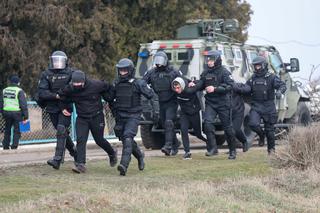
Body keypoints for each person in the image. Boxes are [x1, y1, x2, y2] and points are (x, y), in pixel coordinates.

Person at [58, 70, 117, 173]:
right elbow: (61, 95)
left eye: (79, 83)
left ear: (84, 81)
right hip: (82, 118)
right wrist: (63, 108)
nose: (76, 85)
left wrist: (110, 100)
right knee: (81, 140)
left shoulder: (96, 85)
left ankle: (112, 153)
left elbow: (109, 87)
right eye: (74, 83)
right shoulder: (70, 88)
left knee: (99, 140)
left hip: (97, 116)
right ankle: (81, 165)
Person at [107, 58, 154, 176]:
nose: (122, 73)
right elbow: (110, 98)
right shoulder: (116, 83)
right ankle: (140, 156)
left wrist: (154, 111)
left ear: (130, 70)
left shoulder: (138, 83)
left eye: (124, 70)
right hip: (120, 115)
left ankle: (124, 165)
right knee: (125, 139)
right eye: (120, 70)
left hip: (134, 115)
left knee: (128, 137)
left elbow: (151, 95)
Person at [37, 51, 77, 169]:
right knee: (62, 132)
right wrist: (56, 96)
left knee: (61, 129)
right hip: (52, 108)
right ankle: (75, 153)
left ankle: (57, 159)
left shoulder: (71, 73)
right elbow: (42, 93)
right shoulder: (46, 74)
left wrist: (60, 96)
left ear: (65, 61)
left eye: (60, 60)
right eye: (55, 60)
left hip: (66, 107)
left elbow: (71, 88)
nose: (58, 63)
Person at [195, 50, 237, 159]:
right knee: (208, 124)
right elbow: (201, 84)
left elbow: (230, 86)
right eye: (208, 60)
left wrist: (215, 88)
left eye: (211, 60)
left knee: (227, 128)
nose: (209, 62)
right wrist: (193, 83)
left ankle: (232, 150)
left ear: (217, 60)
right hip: (211, 103)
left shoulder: (224, 72)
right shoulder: (206, 72)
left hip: (224, 103)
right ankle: (213, 148)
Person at [143, 51, 181, 156]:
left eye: (160, 61)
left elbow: (182, 82)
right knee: (165, 124)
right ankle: (175, 143)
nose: (158, 63)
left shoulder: (173, 72)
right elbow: (142, 82)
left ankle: (168, 146)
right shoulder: (152, 72)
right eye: (157, 61)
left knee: (169, 122)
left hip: (172, 101)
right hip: (159, 102)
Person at [245, 56, 286, 154]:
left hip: (268, 106)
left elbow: (282, 85)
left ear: (263, 65)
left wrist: (280, 92)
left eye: (258, 66)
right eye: (255, 66)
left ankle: (271, 152)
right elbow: (246, 88)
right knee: (253, 124)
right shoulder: (253, 78)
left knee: (270, 131)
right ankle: (261, 135)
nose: (256, 68)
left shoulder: (271, 77)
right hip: (256, 105)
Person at [171, 77, 207, 160]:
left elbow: (201, 83)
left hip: (195, 112)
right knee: (183, 130)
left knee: (199, 134)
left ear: (183, 86)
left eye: (178, 88)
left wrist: (193, 82)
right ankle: (187, 152)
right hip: (184, 113)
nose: (177, 90)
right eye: (175, 88)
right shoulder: (174, 92)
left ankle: (211, 143)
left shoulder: (190, 90)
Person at [1, 75, 28, 149]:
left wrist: (2, 112)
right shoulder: (19, 91)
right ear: (18, 83)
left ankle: (5, 146)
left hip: (6, 112)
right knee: (17, 130)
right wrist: (26, 116)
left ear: (10, 82)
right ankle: (14, 146)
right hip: (17, 113)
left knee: (7, 130)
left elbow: (1, 102)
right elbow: (23, 104)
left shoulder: (4, 90)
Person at [232, 82, 250, 152]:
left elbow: (247, 88)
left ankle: (244, 141)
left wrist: (239, 89)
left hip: (238, 111)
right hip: (226, 111)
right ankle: (232, 150)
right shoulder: (220, 86)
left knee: (235, 129)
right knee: (228, 130)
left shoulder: (236, 85)